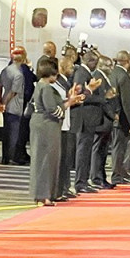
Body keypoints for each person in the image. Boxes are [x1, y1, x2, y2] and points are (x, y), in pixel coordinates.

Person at [29, 58, 83, 206]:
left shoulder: (39, 86)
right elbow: (53, 110)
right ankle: (45, 194)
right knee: (48, 160)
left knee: (40, 160)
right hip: (47, 126)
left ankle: (40, 194)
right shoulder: (46, 88)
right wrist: (69, 103)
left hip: (40, 124)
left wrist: (69, 98)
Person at [71, 50, 104, 193]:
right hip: (84, 118)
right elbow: (79, 96)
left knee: (86, 151)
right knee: (83, 152)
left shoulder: (85, 74)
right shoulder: (81, 74)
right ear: (90, 61)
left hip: (89, 119)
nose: (96, 66)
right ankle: (80, 182)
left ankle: (84, 181)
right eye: (95, 63)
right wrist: (102, 98)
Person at [109, 50, 130, 185]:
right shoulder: (124, 77)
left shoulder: (112, 74)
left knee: (118, 147)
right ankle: (117, 175)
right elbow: (128, 101)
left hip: (114, 116)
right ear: (127, 62)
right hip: (122, 118)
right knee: (119, 148)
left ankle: (120, 172)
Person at [90, 55, 118, 189]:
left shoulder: (104, 78)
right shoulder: (97, 77)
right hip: (100, 119)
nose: (112, 68)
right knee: (98, 149)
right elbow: (102, 100)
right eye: (109, 65)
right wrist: (113, 115)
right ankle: (96, 177)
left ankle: (101, 177)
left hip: (106, 120)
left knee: (103, 150)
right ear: (102, 66)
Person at [53, 57, 77, 200]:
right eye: (70, 66)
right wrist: (70, 100)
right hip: (60, 125)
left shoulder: (64, 81)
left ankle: (64, 187)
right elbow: (59, 102)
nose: (72, 69)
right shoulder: (57, 82)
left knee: (66, 160)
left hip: (65, 123)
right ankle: (59, 189)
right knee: (61, 161)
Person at [0, 48, 26, 165]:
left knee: (6, 132)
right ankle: (13, 156)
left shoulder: (5, 70)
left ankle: (5, 157)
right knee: (14, 133)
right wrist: (5, 103)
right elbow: (13, 92)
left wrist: (0, 101)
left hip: (5, 105)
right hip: (15, 106)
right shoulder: (19, 74)